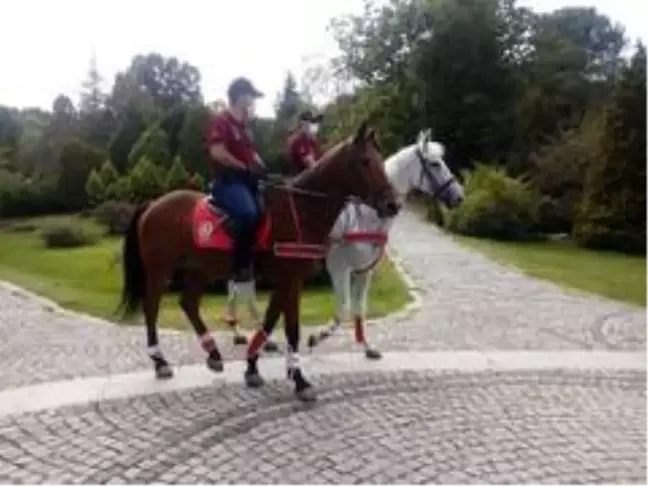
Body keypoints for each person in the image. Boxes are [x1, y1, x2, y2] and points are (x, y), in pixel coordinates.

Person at [205, 77, 265, 283]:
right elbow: (217, 152)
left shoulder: (245, 126)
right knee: (248, 213)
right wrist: (243, 167)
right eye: (251, 96)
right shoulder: (222, 122)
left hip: (247, 182)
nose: (253, 101)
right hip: (228, 182)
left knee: (269, 209)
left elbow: (253, 154)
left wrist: (263, 169)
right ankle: (237, 265)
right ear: (240, 97)